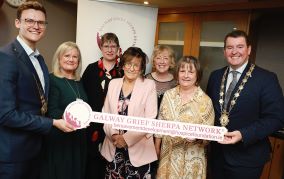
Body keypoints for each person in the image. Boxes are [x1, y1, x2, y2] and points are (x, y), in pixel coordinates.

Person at [0, 2, 74, 179]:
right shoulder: (6, 57)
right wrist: (52, 123)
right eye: (30, 21)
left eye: (41, 22)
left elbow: (40, 102)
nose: (36, 26)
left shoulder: (39, 59)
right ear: (18, 23)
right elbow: (6, 114)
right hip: (13, 156)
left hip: (36, 151)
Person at [206, 30, 284, 179]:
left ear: (248, 49)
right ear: (224, 51)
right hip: (217, 155)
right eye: (230, 47)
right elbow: (208, 111)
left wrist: (243, 134)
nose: (234, 52)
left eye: (240, 47)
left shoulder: (266, 79)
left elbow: (276, 118)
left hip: (247, 158)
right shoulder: (215, 76)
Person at [100, 47, 158, 178]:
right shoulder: (113, 83)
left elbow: (150, 119)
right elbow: (106, 114)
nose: (131, 68)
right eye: (128, 64)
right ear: (122, 65)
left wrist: (126, 139)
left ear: (141, 68)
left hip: (139, 150)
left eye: (136, 65)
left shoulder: (149, 85)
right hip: (113, 148)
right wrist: (114, 135)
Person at [155, 56, 214, 179]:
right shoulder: (168, 95)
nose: (186, 75)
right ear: (177, 74)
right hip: (168, 158)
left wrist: (197, 137)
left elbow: (209, 134)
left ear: (197, 75)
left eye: (191, 72)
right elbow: (159, 125)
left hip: (192, 161)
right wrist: (157, 149)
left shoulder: (205, 101)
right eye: (182, 71)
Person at [39, 41, 87, 179]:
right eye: (67, 56)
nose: (71, 59)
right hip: (60, 139)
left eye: (75, 56)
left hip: (78, 139)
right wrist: (77, 120)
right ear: (59, 59)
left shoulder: (79, 81)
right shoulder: (52, 80)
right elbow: (51, 110)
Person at [82, 32, 123, 179]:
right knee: (92, 163)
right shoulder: (91, 69)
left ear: (118, 48)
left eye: (113, 46)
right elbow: (82, 95)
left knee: (112, 162)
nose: (110, 49)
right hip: (92, 124)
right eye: (106, 46)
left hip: (115, 125)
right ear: (101, 47)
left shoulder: (123, 70)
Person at [145, 45, 176, 109]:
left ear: (171, 61)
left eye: (166, 58)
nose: (162, 62)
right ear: (154, 60)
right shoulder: (146, 79)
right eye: (158, 58)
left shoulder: (176, 82)